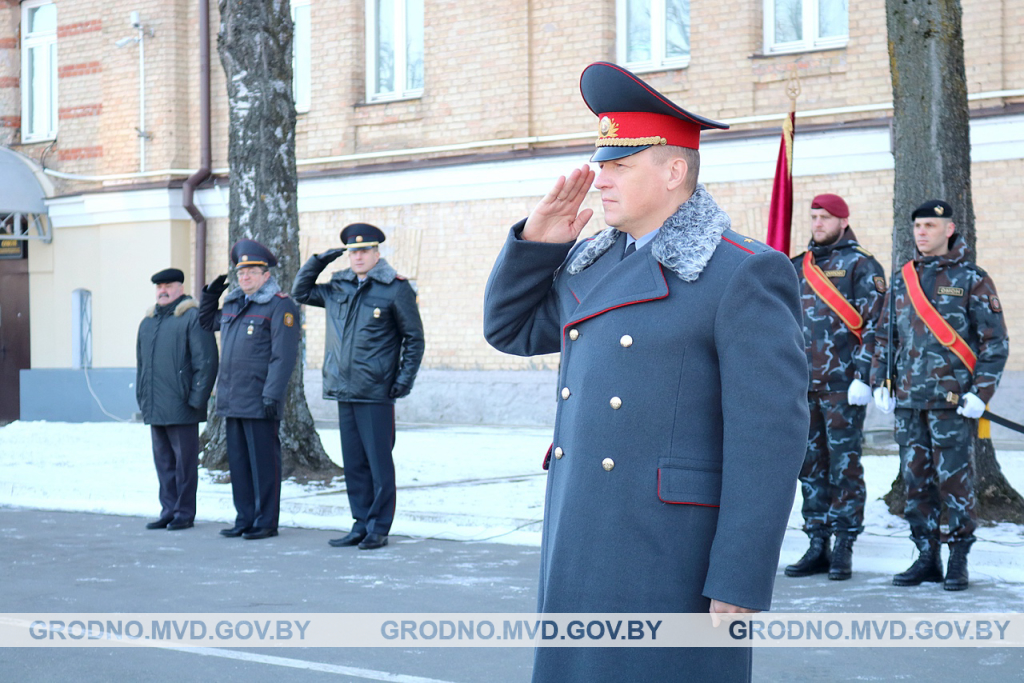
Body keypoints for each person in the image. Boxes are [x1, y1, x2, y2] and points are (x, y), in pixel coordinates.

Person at [482, 61, 809, 681]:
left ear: (674, 171)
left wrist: (740, 573)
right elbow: (510, 331)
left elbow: (768, 437)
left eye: (618, 165)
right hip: (582, 531)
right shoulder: (590, 264)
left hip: (669, 550)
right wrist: (537, 243)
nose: (599, 179)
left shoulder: (740, 272)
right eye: (601, 163)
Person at [872, 199, 1008, 591]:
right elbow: (885, 336)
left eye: (930, 225)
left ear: (949, 230)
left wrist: (981, 394)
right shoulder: (902, 279)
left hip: (952, 404)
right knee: (916, 483)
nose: (921, 233)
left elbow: (994, 343)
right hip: (910, 403)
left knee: (954, 482)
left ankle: (958, 560)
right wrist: (882, 381)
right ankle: (926, 557)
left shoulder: (972, 278)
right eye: (917, 226)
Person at [292, 223, 425, 551]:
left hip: (377, 391)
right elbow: (300, 291)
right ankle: (360, 523)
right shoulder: (339, 286)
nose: (359, 256)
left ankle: (379, 527)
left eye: (365, 250)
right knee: (353, 463)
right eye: (353, 251)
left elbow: (414, 338)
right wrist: (318, 261)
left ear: (377, 253)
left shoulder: (395, 289)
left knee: (378, 463)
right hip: (343, 388)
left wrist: (402, 381)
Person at [785, 194, 886, 580]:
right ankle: (817, 542)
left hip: (845, 386)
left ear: (843, 221)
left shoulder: (861, 264)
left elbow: (876, 323)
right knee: (810, 467)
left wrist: (866, 375)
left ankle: (843, 544)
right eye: (813, 217)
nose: (818, 223)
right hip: (804, 386)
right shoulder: (797, 267)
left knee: (844, 467)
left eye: (825, 217)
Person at [199, 239, 300, 540]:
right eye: (241, 273)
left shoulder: (280, 305)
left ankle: (266, 521)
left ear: (265, 275)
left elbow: (283, 356)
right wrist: (211, 294)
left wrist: (272, 394)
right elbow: (206, 322)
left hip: (259, 398)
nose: (245, 278)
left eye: (252, 273)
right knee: (240, 464)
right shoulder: (232, 303)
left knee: (264, 465)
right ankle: (244, 517)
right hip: (232, 397)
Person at [136, 268, 218, 531]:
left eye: (168, 285)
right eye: (159, 286)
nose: (163, 290)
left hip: (182, 404)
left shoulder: (192, 317)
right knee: (163, 463)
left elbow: (205, 361)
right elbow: (141, 365)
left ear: (180, 288)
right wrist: (142, 396)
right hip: (155, 405)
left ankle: (184, 512)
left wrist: (196, 399)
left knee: (184, 464)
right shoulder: (148, 322)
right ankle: (168, 509)